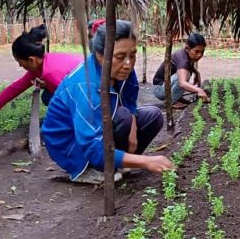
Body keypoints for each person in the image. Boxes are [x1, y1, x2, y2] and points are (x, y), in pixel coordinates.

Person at [42, 20, 173, 180]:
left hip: (105, 124)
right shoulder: (85, 86)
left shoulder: (123, 68)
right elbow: (91, 145)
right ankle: (93, 167)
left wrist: (133, 128)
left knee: (153, 116)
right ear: (99, 55)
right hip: (72, 145)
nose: (128, 64)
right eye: (119, 56)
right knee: (122, 117)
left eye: (132, 55)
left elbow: (130, 96)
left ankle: (119, 162)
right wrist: (145, 161)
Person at [0, 25, 82, 118]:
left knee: (54, 101)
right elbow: (16, 87)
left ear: (31, 60)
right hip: (80, 85)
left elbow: (75, 98)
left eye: (20, 62)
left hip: (92, 90)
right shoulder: (43, 63)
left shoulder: (50, 73)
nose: (19, 65)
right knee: (47, 97)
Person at [152, 33, 210, 109]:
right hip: (159, 89)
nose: (199, 55)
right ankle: (170, 102)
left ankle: (177, 97)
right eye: (196, 51)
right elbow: (182, 84)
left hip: (165, 85)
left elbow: (188, 66)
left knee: (186, 74)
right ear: (187, 48)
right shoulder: (182, 59)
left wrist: (196, 73)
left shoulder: (186, 54)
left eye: (202, 52)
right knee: (182, 77)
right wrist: (199, 90)